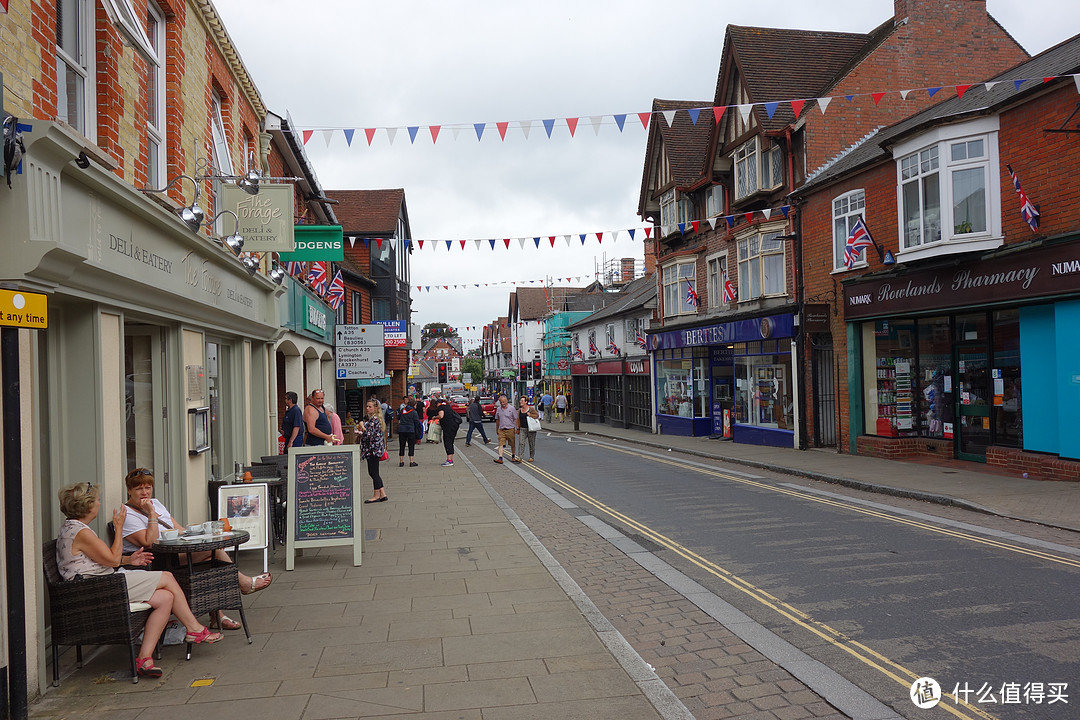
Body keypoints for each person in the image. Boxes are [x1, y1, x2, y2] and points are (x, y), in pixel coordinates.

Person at [58, 482, 222, 679]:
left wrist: (129, 559)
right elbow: (110, 559)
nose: (99, 504)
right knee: (167, 577)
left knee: (165, 598)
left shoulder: (74, 528)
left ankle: (144, 658)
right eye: (97, 500)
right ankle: (194, 628)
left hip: (101, 583)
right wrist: (118, 529)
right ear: (87, 506)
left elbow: (101, 558)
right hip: (99, 589)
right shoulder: (82, 532)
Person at [121, 468, 272, 630]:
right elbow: (149, 542)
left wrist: (197, 533)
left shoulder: (155, 503)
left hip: (174, 552)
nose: (144, 492)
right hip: (156, 561)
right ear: (129, 490)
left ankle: (218, 614)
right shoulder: (128, 514)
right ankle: (243, 584)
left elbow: (177, 528)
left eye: (147, 488)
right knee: (212, 553)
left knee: (213, 552)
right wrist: (151, 514)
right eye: (138, 489)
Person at [359, 398, 388, 503]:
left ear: (376, 408)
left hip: (372, 450)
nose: (367, 408)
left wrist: (362, 427)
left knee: (373, 472)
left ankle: (376, 495)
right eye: (367, 406)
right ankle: (383, 494)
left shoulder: (374, 420)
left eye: (370, 406)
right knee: (374, 472)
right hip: (374, 449)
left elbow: (369, 435)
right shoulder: (375, 419)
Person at [435, 396, 463, 466]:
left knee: (447, 442)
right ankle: (450, 459)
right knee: (450, 441)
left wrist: (435, 417)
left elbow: (441, 416)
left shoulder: (440, 408)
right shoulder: (448, 407)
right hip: (454, 426)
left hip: (448, 427)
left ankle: (449, 460)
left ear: (438, 403)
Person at [493, 393, 520, 464]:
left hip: (510, 429)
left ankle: (513, 456)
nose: (502, 403)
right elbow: (497, 420)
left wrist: (517, 428)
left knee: (512, 444)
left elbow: (516, 419)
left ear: (507, 401)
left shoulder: (512, 408)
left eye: (504, 402)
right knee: (500, 444)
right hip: (501, 429)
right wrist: (497, 429)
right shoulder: (498, 409)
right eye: (501, 402)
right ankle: (500, 458)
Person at [395, 395, 420, 467]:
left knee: (402, 445)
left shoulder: (402, 410)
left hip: (401, 429)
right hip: (410, 430)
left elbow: (398, 417)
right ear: (413, 405)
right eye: (415, 405)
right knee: (411, 445)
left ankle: (401, 462)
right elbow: (416, 422)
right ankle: (411, 462)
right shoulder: (414, 412)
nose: (416, 406)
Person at [518, 396, 540, 463]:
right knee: (521, 443)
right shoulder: (520, 410)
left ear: (526, 402)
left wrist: (530, 415)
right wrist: (518, 428)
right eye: (520, 400)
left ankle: (531, 457)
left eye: (522, 401)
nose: (520, 402)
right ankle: (520, 457)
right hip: (522, 429)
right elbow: (518, 420)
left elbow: (537, 415)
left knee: (531, 443)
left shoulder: (531, 409)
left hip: (531, 429)